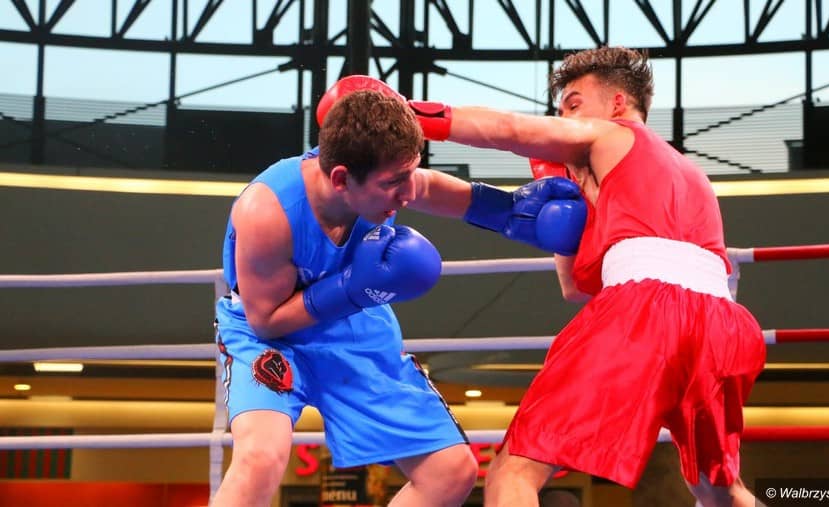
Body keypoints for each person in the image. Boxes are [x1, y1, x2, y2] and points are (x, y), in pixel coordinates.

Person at [324, 46, 766, 506]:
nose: (562, 120)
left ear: (617, 103)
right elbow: (575, 288)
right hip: (726, 327)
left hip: (646, 311)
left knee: (512, 472)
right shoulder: (690, 176)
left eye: (573, 105)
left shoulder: (614, 133)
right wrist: (567, 212)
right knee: (720, 489)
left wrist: (399, 113)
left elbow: (512, 130)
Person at [212, 87, 586, 507]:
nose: (407, 193)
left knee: (450, 471)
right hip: (269, 334)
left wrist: (510, 212)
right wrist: (351, 287)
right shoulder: (267, 213)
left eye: (411, 172)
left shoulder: (384, 174)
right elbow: (266, 320)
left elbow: (431, 188)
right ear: (341, 179)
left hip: (351, 326)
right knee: (260, 458)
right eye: (393, 183)